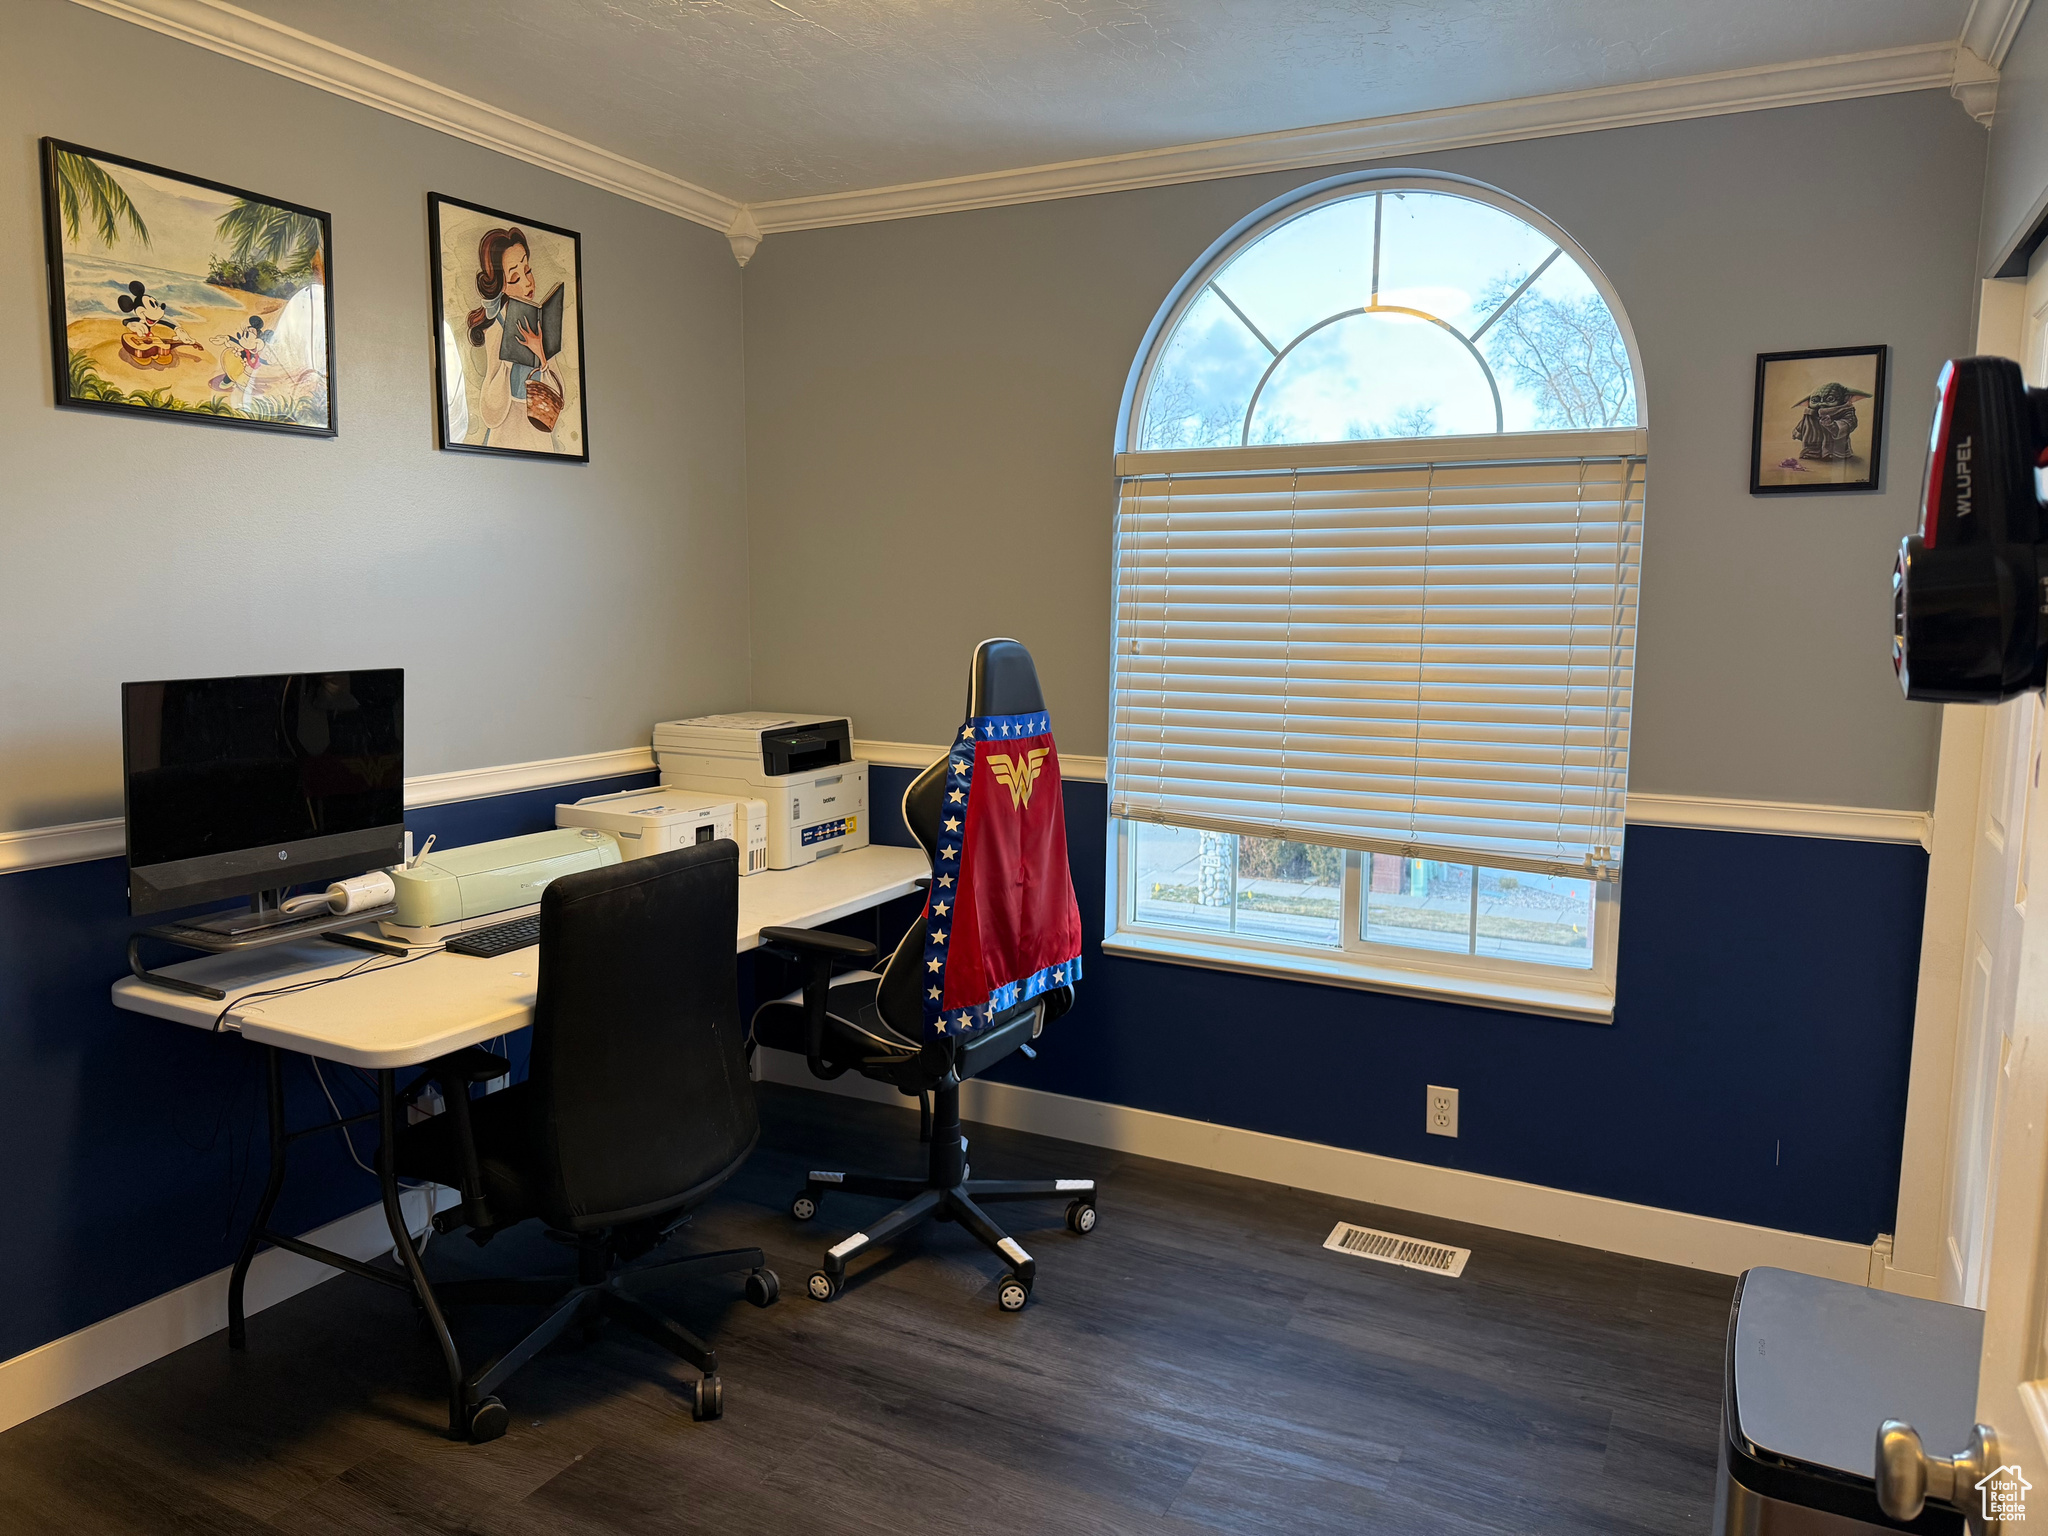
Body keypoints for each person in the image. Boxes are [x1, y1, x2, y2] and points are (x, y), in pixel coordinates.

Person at [465, 226, 558, 452]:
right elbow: (490, 409)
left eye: (528, 270)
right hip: (508, 430)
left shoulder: (539, 319)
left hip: (537, 428)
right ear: (502, 285)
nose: (527, 283)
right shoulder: (496, 327)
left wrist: (540, 353)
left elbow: (558, 392)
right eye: (516, 277)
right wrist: (508, 358)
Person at [1791, 381, 1869, 463]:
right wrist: (1798, 431)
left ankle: (1830, 453)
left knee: (1834, 452)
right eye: (1815, 400)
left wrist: (1832, 425)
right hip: (1812, 447)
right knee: (1812, 451)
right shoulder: (1810, 413)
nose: (1821, 403)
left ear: (1845, 398)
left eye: (1830, 399)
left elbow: (1849, 424)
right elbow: (1805, 423)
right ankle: (1812, 452)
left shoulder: (1845, 411)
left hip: (1836, 451)